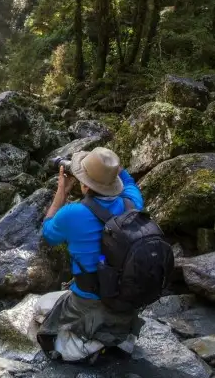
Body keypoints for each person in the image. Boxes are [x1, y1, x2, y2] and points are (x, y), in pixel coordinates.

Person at [36, 147, 145, 362]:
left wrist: (62, 191)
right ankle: (115, 334)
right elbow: (128, 180)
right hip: (126, 298)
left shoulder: (73, 213)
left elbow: (47, 233)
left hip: (88, 300)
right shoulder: (133, 203)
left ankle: (89, 340)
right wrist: (108, 166)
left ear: (84, 184)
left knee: (42, 306)